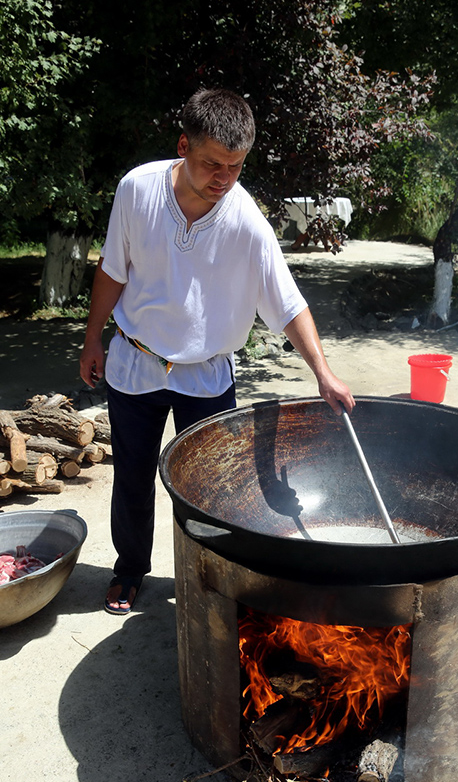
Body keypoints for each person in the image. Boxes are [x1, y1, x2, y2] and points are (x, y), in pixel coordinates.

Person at [79, 88, 354, 615]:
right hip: (135, 364)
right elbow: (113, 269)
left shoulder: (247, 222)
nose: (223, 179)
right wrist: (93, 337)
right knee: (132, 479)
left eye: (235, 166)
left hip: (205, 375)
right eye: (211, 164)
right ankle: (130, 570)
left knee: (210, 488)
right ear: (184, 145)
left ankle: (208, 580)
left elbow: (287, 302)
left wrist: (323, 371)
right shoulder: (137, 189)